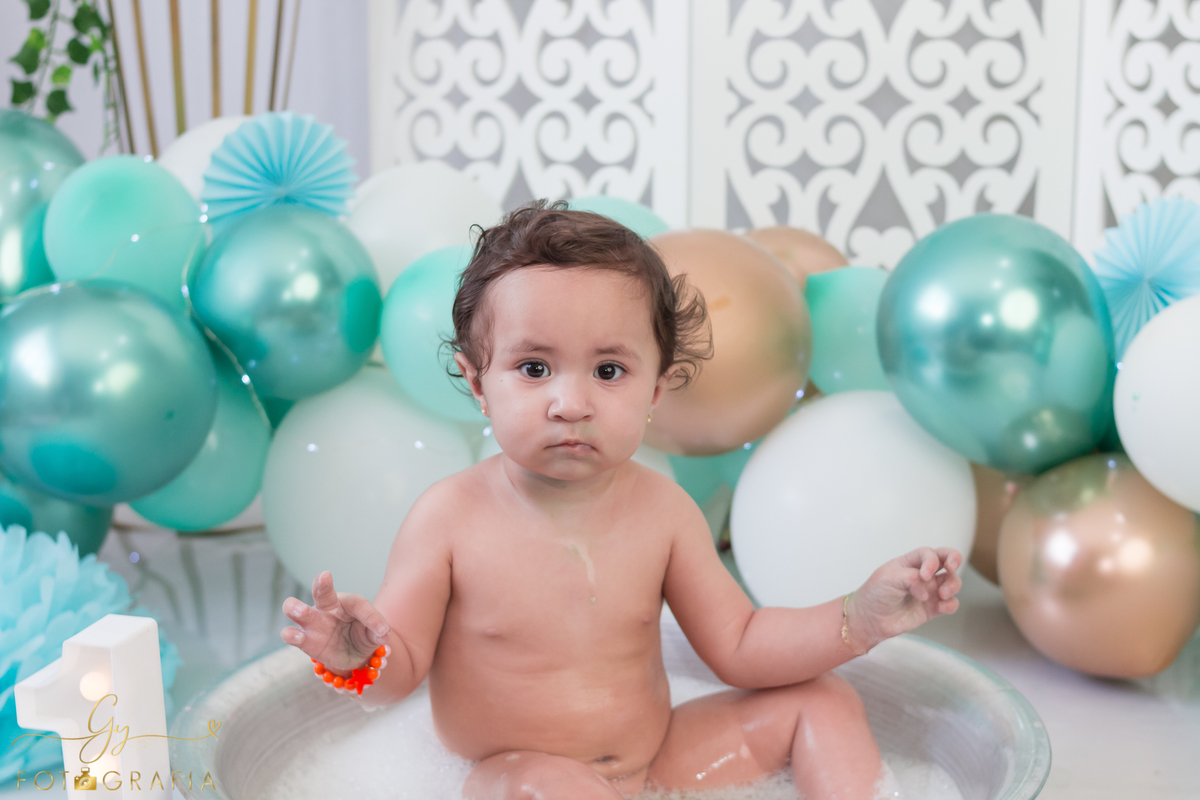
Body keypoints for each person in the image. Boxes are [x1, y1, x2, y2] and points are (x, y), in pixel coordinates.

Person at [280, 201, 963, 800]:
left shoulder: (663, 514)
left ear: (656, 390)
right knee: (555, 787)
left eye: (609, 371)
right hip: (512, 776)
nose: (570, 403)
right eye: (534, 367)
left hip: (655, 756)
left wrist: (860, 617)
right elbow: (402, 670)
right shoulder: (450, 519)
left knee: (823, 703)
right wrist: (360, 656)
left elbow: (743, 645)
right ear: (478, 381)